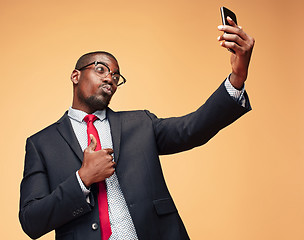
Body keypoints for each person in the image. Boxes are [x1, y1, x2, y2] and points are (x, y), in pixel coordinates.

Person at [19, 17, 255, 240]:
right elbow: (32, 221)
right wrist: (82, 179)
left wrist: (237, 76)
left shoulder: (140, 124)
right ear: (75, 76)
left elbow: (192, 128)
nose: (110, 79)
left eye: (116, 76)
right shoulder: (42, 144)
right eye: (101, 69)